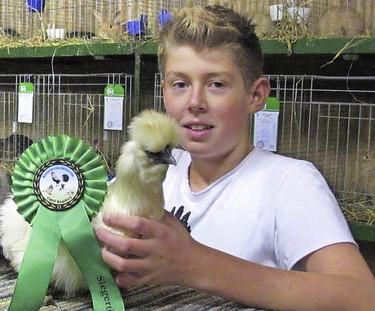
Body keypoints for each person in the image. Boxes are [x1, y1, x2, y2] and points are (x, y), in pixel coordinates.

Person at [94, 5, 375, 310]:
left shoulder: (289, 183)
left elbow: (362, 296)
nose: (195, 102)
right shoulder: (156, 170)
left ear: (255, 96)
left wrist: (196, 264)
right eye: (180, 84)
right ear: (163, 92)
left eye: (216, 84)